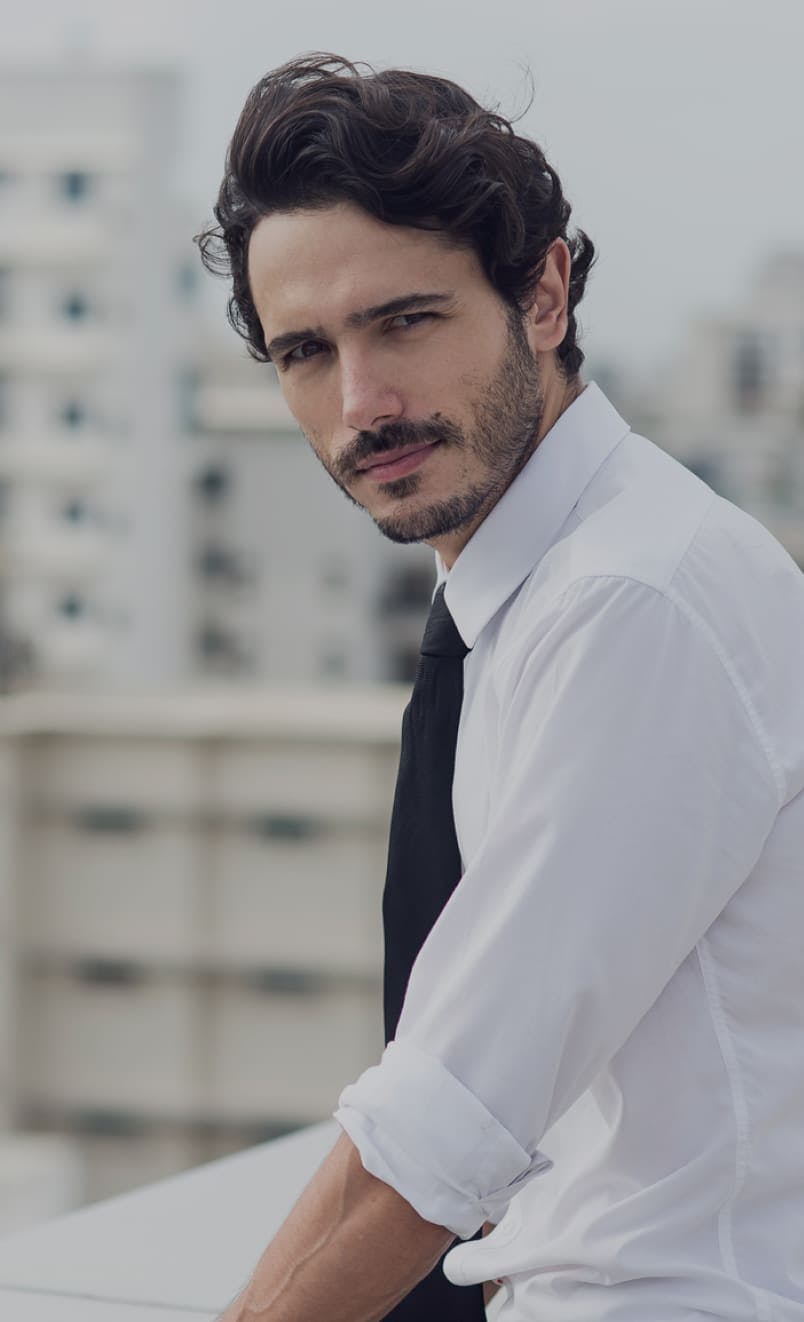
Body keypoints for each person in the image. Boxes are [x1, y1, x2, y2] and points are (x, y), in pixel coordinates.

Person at [196, 53, 804, 1322]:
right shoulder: (537, 592)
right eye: (308, 351)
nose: (363, 402)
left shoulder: (632, 602)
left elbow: (440, 1129)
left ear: (542, 290)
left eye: (405, 320)